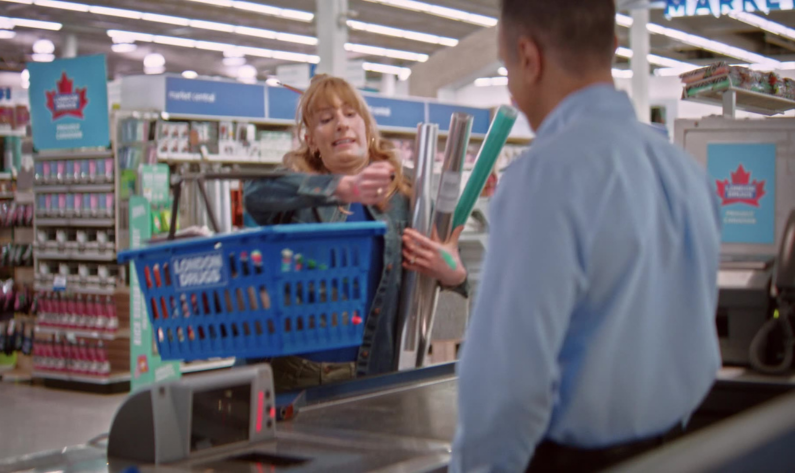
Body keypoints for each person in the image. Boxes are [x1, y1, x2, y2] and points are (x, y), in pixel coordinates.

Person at [451, 1, 722, 472]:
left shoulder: (542, 179)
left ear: (528, 57)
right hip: (682, 448)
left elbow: (508, 388)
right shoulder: (685, 172)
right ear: (613, 48)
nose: (512, 90)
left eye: (508, 69)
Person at [245, 75, 468, 392]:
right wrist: (339, 187)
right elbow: (255, 193)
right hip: (289, 381)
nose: (341, 124)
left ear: (367, 128)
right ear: (310, 139)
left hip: (370, 379)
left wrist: (453, 276)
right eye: (326, 118)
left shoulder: (407, 203)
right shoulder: (297, 192)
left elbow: (447, 317)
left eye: (351, 114)